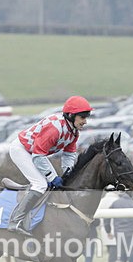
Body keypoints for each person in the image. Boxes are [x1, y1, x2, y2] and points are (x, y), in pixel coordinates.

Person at [6, 95, 92, 236]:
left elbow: (69, 154)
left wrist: (68, 173)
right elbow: (38, 156)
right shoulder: (54, 129)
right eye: (82, 117)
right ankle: (15, 221)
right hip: (21, 150)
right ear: (71, 115)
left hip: (36, 153)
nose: (85, 121)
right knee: (40, 184)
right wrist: (52, 176)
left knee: (53, 184)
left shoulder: (73, 131)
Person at [98, 190, 121, 262]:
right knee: (114, 258)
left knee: (113, 257)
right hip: (113, 231)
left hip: (104, 231)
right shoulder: (117, 200)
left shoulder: (102, 201)